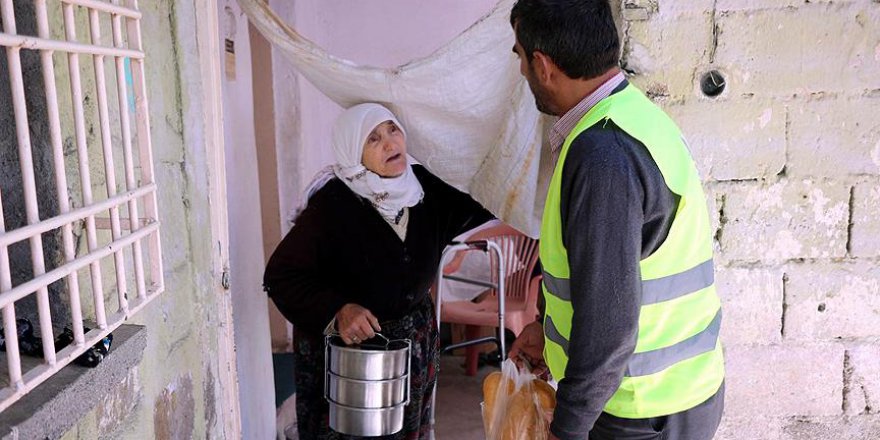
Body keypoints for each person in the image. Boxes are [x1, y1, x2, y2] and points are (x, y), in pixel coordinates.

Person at [506, 1, 725, 439]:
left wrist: (566, 429)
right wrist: (547, 332)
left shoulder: (601, 154)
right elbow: (596, 273)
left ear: (544, 66)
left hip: (638, 410)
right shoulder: (634, 116)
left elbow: (609, 329)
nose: (521, 73)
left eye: (520, 57)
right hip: (677, 396)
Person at [263, 103, 494, 440]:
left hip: (412, 345)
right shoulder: (333, 204)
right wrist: (338, 310)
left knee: (405, 431)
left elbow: (484, 200)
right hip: (350, 354)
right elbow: (282, 275)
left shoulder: (423, 188)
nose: (390, 143)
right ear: (354, 152)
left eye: (393, 130)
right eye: (373, 139)